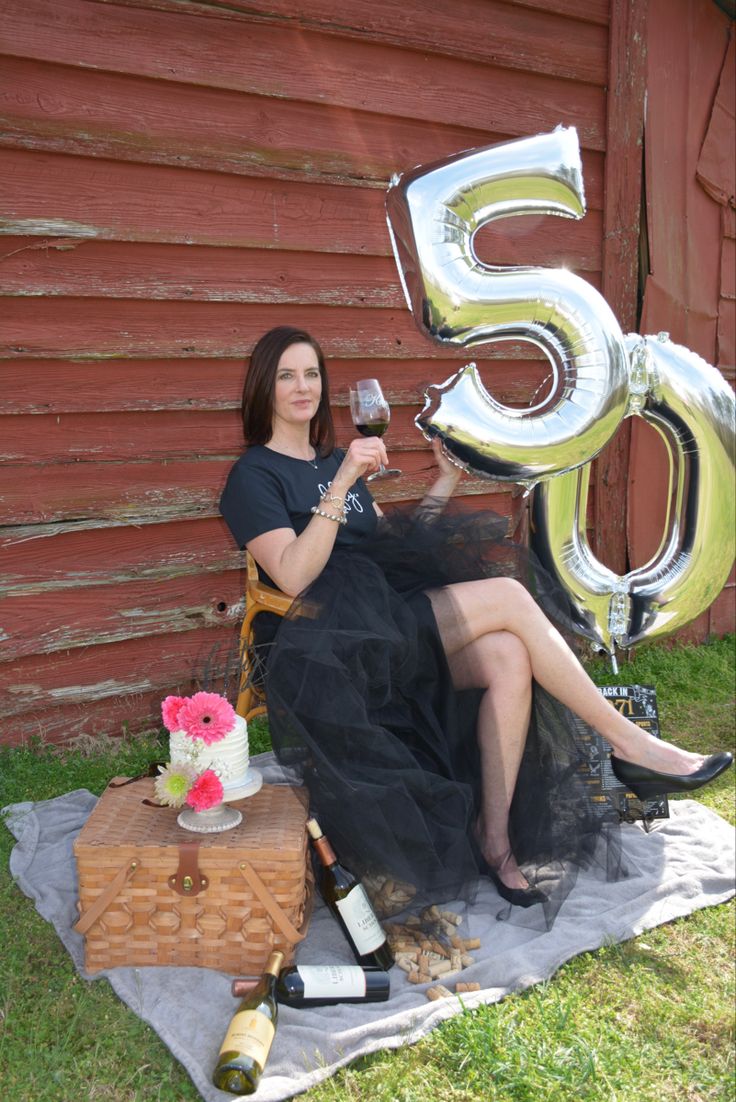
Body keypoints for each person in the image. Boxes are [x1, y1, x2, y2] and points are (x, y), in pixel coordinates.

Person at [220, 326, 732, 914]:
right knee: (511, 596)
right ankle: (628, 744)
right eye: (287, 375)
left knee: (509, 657)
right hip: (330, 649)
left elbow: (391, 547)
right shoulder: (253, 477)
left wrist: (445, 479)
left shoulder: (337, 459)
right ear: (265, 387)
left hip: (388, 623)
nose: (302, 387)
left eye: (311, 373)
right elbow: (292, 574)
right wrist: (340, 484)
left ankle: (496, 841)